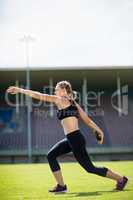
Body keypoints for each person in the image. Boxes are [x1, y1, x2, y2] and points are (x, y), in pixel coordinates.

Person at [6, 80, 128, 193]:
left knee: (90, 168)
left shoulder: (59, 100)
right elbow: (88, 120)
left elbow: (38, 95)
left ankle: (121, 179)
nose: (55, 91)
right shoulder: (73, 103)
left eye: (56, 89)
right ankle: (61, 186)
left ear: (64, 90)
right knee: (51, 155)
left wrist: (20, 90)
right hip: (72, 139)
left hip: (75, 139)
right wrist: (99, 131)